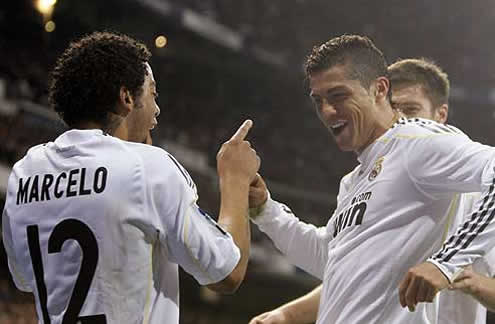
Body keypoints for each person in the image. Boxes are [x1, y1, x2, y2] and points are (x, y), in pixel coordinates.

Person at [2, 31, 260, 324]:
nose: (157, 108)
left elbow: (24, 278)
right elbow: (227, 272)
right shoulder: (149, 166)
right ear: (126, 98)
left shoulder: (24, 172)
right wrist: (235, 178)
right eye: (152, 93)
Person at [247, 35, 495, 324]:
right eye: (319, 101)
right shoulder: (353, 180)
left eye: (339, 96)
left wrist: (446, 262)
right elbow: (329, 259)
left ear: (379, 89)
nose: (327, 111)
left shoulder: (417, 142)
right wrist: (265, 210)